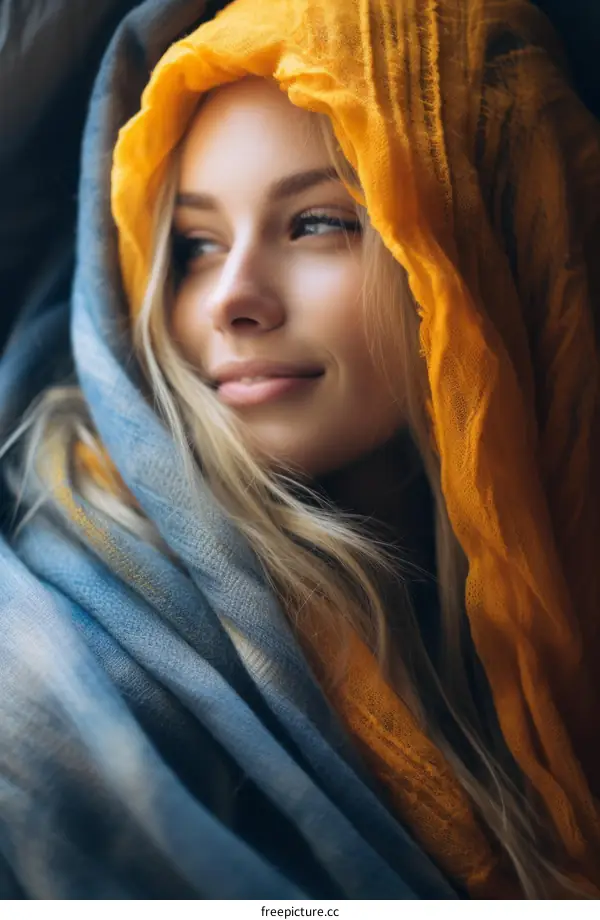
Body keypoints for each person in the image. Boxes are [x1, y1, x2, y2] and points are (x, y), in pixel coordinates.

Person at [1, 0, 600, 900]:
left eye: (317, 223)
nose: (230, 300)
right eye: (194, 245)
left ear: (488, 243)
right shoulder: (64, 664)